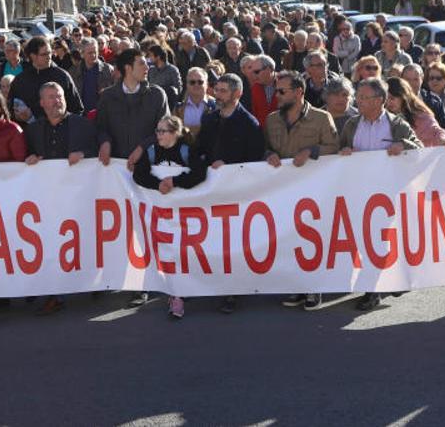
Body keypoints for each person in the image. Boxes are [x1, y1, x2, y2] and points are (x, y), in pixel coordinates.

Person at [338, 78, 422, 311]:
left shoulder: (397, 125)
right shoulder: (352, 125)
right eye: (359, 97)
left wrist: (403, 145)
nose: (358, 101)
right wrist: (343, 152)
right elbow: (338, 152)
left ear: (379, 100)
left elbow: (420, 149)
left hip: (387, 194)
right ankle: (381, 282)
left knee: (380, 241)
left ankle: (373, 290)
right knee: (365, 240)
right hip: (359, 192)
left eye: (364, 97)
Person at [266, 70, 340, 312]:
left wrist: (312, 151)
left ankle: (314, 287)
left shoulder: (321, 118)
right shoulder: (272, 120)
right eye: (276, 90)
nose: (277, 95)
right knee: (289, 239)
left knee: (313, 239)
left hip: (315, 191)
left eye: (282, 91)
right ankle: (297, 286)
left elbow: (335, 147)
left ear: (298, 92)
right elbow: (263, 148)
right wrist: (268, 154)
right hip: (283, 191)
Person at [24, 82, 99, 315]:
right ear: (42, 103)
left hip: (78, 197)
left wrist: (85, 154)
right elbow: (25, 154)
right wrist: (29, 159)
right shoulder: (34, 130)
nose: (56, 100)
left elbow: (101, 151)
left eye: (59, 96)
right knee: (50, 243)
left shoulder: (82, 125)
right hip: (47, 199)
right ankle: (54, 292)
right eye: (51, 97)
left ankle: (93, 283)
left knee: (81, 241)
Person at [196, 73, 267, 314]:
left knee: (234, 244)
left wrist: (228, 168)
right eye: (217, 89)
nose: (218, 94)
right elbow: (199, 151)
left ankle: (233, 292)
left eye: (224, 91)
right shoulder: (210, 119)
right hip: (212, 192)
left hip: (237, 195)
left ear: (237, 94)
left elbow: (255, 161)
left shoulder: (249, 124)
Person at [132, 115, 208, 320]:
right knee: (168, 254)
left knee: (183, 253)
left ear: (175, 133)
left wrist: (175, 181)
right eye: (157, 131)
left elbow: (199, 174)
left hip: (186, 216)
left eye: (163, 131)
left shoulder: (186, 151)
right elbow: (138, 175)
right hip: (161, 216)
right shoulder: (152, 151)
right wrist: (158, 185)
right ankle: (176, 296)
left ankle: (182, 292)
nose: (158, 135)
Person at [95, 48, 169, 171]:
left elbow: (165, 130)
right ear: (128, 68)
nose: (147, 67)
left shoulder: (157, 95)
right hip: (114, 170)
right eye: (142, 63)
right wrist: (105, 142)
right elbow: (100, 128)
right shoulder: (107, 96)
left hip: (149, 167)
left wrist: (142, 148)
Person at [9, 36, 84, 122]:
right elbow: (10, 110)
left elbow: (77, 109)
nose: (49, 57)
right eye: (44, 54)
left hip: (59, 131)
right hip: (31, 132)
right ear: (33, 56)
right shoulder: (21, 80)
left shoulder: (62, 76)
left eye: (50, 53)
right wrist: (19, 117)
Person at [386, 77, 445, 148]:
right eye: (386, 98)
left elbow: (436, 131)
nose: (388, 102)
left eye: (392, 98)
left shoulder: (421, 116)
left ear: (403, 97)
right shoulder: (380, 117)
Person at [399, 63, 445, 134]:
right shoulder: (392, 100)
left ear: (422, 79)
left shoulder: (434, 101)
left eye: (415, 79)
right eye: (407, 79)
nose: (411, 83)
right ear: (401, 79)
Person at [68, 37, 116, 112]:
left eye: (95, 52)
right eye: (90, 53)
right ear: (82, 54)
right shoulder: (73, 72)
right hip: (82, 116)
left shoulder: (108, 70)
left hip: (103, 115)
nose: (93, 55)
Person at [173, 67, 214, 141]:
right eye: (192, 82)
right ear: (187, 85)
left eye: (200, 82)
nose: (196, 85)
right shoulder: (178, 109)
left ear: (207, 84)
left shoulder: (216, 106)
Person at [241, 55, 278, 124]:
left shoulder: (286, 84)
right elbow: (255, 113)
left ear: (269, 69)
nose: (254, 75)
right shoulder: (255, 88)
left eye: (257, 72)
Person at [145, 42, 182, 106]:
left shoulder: (172, 70)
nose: (150, 58)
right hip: (152, 104)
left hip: (168, 104)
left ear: (158, 57)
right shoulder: (151, 70)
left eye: (151, 55)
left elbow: (178, 89)